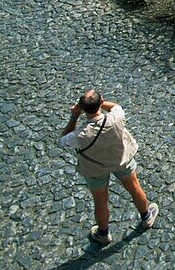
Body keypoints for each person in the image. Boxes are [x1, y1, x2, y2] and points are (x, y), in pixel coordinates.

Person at [58, 89, 159, 245]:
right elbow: (116, 106)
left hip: (95, 169)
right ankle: (146, 217)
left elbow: (62, 140)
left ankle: (103, 234)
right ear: (101, 102)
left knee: (100, 200)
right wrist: (101, 102)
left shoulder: (79, 135)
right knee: (134, 187)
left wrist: (74, 115)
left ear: (82, 108)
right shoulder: (116, 117)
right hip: (121, 161)